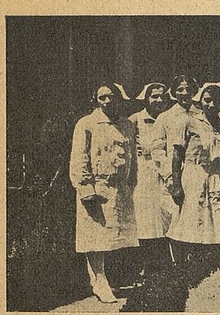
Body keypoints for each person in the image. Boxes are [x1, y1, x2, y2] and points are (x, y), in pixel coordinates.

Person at [69, 82, 138, 303]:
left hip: (119, 188)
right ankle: (99, 280)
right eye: (102, 98)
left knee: (114, 239)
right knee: (95, 238)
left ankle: (105, 277)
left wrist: (130, 182)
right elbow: (79, 158)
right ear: (96, 101)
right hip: (96, 187)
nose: (107, 101)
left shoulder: (127, 125)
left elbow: (132, 157)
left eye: (111, 97)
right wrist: (85, 188)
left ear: (119, 99)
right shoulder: (87, 124)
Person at [166, 83, 220, 268]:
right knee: (190, 224)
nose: (210, 105)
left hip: (218, 178)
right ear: (200, 101)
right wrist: (176, 185)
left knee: (216, 226)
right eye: (207, 100)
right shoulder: (187, 122)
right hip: (194, 177)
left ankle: (212, 268)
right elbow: (177, 156)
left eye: (216, 101)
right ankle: (184, 268)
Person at [128, 82, 176, 280]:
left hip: (169, 171)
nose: (158, 100)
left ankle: (167, 267)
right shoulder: (135, 120)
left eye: (162, 97)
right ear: (146, 98)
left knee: (168, 216)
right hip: (145, 172)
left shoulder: (172, 118)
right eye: (154, 96)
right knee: (146, 220)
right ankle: (146, 267)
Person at [151, 75, 199, 263]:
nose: (184, 93)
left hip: (196, 177)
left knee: (195, 221)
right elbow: (157, 149)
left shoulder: (201, 115)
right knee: (175, 222)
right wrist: (170, 176)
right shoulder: (166, 117)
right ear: (173, 93)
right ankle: (176, 266)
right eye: (180, 89)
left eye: (188, 89)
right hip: (174, 178)